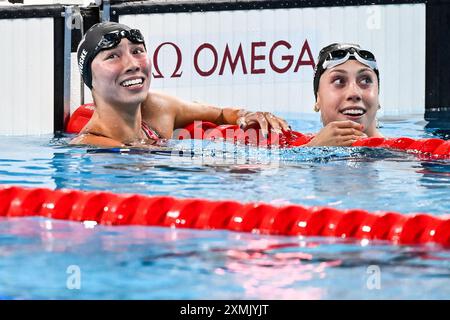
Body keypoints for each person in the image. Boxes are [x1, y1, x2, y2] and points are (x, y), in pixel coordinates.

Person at [70, 22, 290, 147]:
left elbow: (222, 114)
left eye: (137, 51)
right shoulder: (91, 144)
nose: (132, 64)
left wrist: (247, 114)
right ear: (89, 78)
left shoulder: (158, 108)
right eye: (112, 56)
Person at [305, 43, 383, 147]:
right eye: (339, 81)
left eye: (365, 81)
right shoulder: (293, 144)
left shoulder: (404, 152)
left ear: (377, 97)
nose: (354, 93)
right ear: (318, 98)